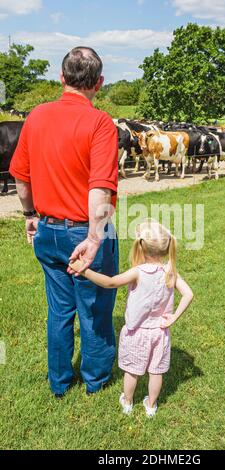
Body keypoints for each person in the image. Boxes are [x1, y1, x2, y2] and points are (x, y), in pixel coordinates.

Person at [9, 47, 119, 397]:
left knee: (59, 310)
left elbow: (21, 179)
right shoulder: (99, 122)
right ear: (99, 83)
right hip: (83, 233)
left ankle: (58, 382)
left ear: (61, 78)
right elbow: (100, 187)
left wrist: (29, 216)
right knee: (95, 309)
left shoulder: (36, 116)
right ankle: (95, 381)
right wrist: (94, 238)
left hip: (48, 230)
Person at [69, 219, 194, 417]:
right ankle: (151, 406)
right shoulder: (170, 271)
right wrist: (173, 318)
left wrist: (83, 270)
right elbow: (189, 294)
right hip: (160, 333)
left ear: (141, 247)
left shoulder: (138, 272)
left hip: (137, 332)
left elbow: (110, 283)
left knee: (132, 371)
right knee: (156, 372)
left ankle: (127, 402)